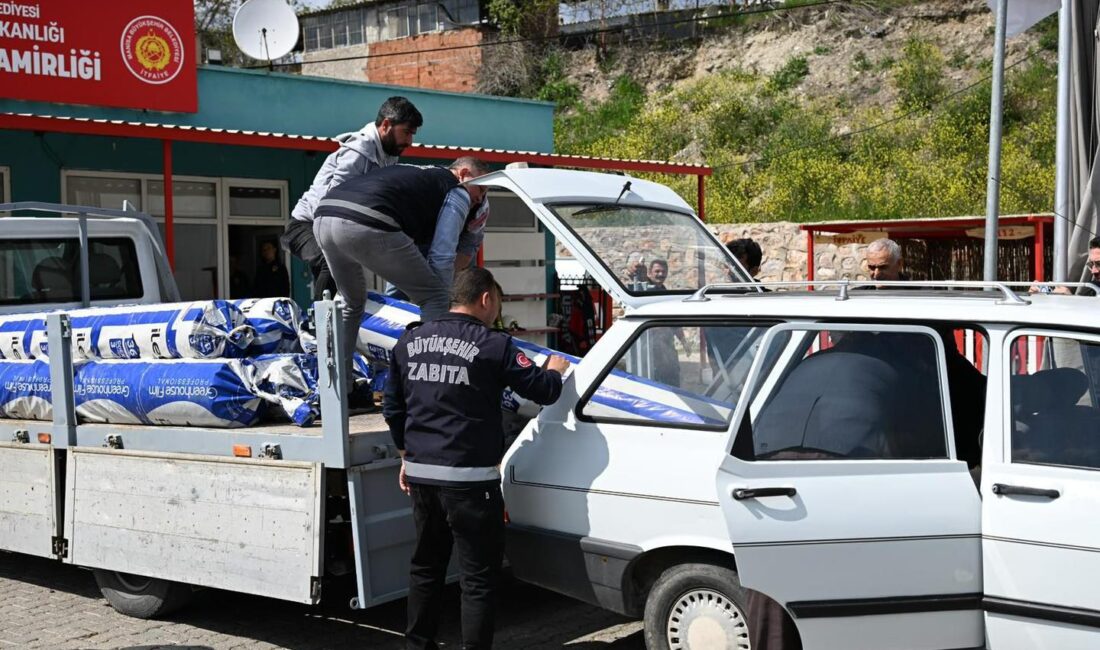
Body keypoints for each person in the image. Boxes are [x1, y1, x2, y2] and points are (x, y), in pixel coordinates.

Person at [383, 267, 570, 650]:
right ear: (486, 298)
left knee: (426, 569)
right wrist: (554, 371)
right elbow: (541, 391)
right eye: (497, 302)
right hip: (470, 483)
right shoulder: (494, 345)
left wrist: (405, 455)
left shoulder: (410, 341)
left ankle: (417, 645)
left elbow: (393, 408)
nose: (497, 311)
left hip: (422, 478)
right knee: (477, 579)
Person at [314, 158, 491, 376]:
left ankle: (336, 386)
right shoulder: (458, 189)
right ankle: (431, 385)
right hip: (367, 220)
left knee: (352, 303)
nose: (480, 198)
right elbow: (442, 255)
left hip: (323, 217)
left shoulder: (420, 173)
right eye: (480, 189)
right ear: (463, 174)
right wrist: (444, 299)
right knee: (436, 297)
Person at [282, 97, 423, 301]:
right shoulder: (359, 151)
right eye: (407, 132)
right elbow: (332, 203)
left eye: (412, 134)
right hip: (306, 225)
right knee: (331, 262)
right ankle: (320, 319)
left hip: (333, 228)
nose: (410, 141)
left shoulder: (388, 154)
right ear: (386, 125)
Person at [646, 259, 689, 386]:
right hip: (651, 348)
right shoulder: (644, 291)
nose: (660, 274)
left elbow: (674, 321)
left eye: (663, 271)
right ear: (649, 273)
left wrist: (684, 342)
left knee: (672, 378)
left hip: (667, 346)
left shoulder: (664, 291)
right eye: (657, 271)